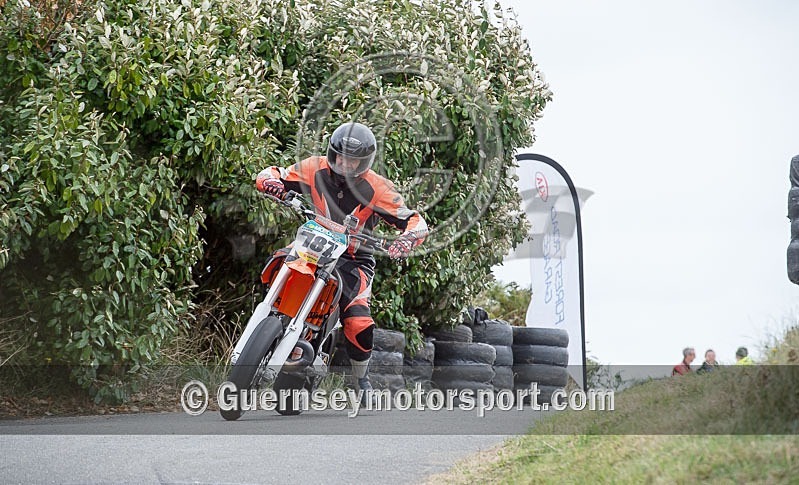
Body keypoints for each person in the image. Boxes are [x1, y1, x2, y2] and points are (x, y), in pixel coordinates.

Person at [255, 122, 429, 396]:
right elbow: (275, 172)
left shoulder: (379, 188)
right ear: (331, 153)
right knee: (275, 265)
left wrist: (406, 239)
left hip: (353, 258)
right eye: (340, 157)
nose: (345, 164)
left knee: (358, 323)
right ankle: (268, 323)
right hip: (311, 244)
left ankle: (362, 381)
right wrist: (270, 183)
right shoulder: (314, 167)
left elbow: (416, 220)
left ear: (365, 162)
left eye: (353, 160)